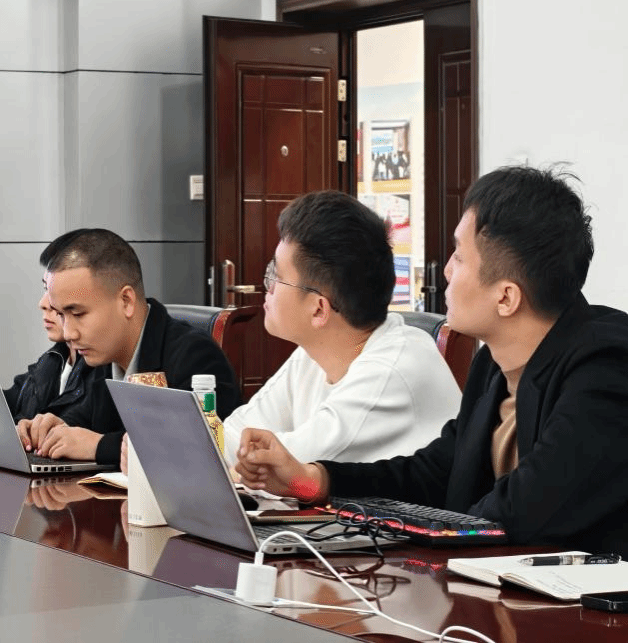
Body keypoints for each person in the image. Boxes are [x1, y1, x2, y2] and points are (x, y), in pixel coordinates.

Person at [235, 166, 628, 552]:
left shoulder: (606, 365)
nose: (447, 271)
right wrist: (312, 481)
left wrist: (435, 528)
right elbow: (434, 474)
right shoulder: (493, 365)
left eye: (460, 257)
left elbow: (527, 509)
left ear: (506, 297)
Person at [222, 190, 461, 466]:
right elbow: (232, 436)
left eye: (277, 275)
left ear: (319, 309)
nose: (268, 286)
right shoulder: (313, 355)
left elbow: (286, 466)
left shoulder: (391, 371)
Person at [17, 228, 241, 466]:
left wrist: (99, 446)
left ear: (126, 301)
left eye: (78, 314)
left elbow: (200, 447)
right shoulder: (99, 356)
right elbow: (80, 421)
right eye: (62, 315)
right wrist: (54, 429)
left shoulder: (195, 356)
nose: (68, 333)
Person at [4, 231, 97, 426]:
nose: (44, 304)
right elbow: (9, 403)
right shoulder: (53, 359)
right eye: (46, 288)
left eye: (56, 292)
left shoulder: (104, 372)